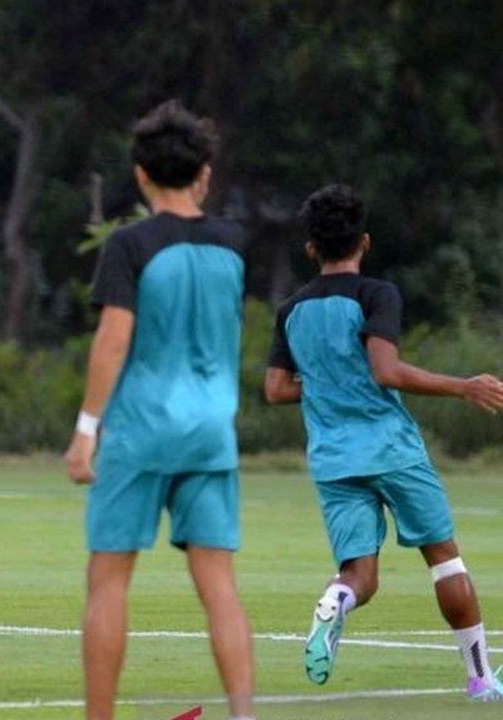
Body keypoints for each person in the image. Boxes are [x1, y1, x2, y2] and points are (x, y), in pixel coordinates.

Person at [264, 183, 503, 700]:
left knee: (359, 573)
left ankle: (337, 602)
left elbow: (276, 388)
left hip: (332, 457)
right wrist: (462, 386)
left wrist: (329, 380)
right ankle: (481, 678)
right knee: (445, 560)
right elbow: (386, 370)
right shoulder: (376, 294)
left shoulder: (291, 310)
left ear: (311, 250)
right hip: (390, 448)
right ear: (364, 243)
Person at [64, 100, 255, 720]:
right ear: (203, 173)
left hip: (142, 429)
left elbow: (114, 339)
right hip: (211, 432)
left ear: (141, 175)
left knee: (109, 579)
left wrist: (86, 428)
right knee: (219, 587)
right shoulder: (233, 244)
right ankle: (244, 713)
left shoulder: (130, 245)